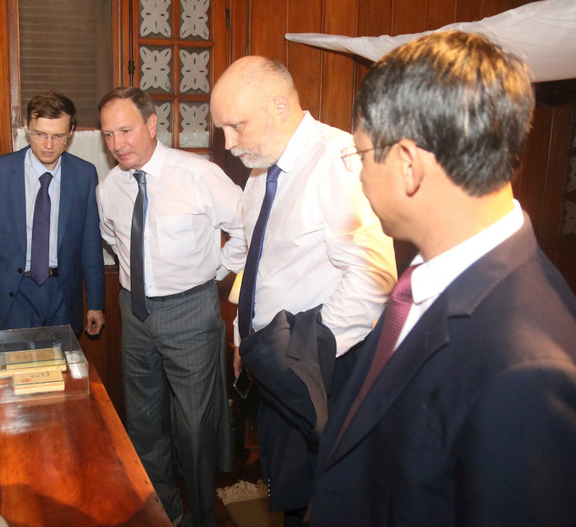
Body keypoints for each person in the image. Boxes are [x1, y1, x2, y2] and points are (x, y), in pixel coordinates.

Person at [309, 30, 576, 526]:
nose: (360, 176)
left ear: (408, 164)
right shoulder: (427, 275)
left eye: (361, 156)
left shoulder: (525, 372)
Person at [210, 56, 397, 524]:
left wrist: (302, 355)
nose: (228, 143)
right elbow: (260, 263)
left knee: (329, 499)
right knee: (292, 492)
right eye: (223, 130)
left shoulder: (338, 160)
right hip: (276, 359)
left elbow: (372, 279)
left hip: (323, 368)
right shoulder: (261, 168)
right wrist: (245, 339)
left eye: (236, 126)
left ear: (279, 106)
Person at [97, 87, 247, 527]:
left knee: (195, 426)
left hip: (190, 312)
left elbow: (247, 225)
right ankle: (165, 511)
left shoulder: (198, 174)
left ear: (151, 124)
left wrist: (218, 269)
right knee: (142, 421)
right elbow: (114, 238)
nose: (117, 143)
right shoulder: (109, 187)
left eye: (125, 130)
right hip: (134, 312)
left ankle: (202, 516)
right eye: (108, 135)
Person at [0, 90, 105, 336]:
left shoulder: (84, 175)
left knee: (64, 361)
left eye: (57, 136)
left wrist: (95, 302)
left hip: (63, 295)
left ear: (71, 132)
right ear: (26, 127)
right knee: (15, 361)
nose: (48, 145)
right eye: (40, 134)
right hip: (14, 295)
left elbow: (91, 244)